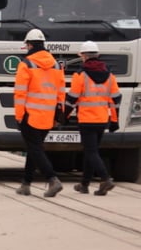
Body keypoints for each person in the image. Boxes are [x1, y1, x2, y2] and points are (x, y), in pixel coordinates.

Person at [14, 28, 66, 197]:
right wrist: (60, 114)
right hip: (48, 116)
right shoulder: (56, 65)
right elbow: (61, 92)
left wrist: (19, 115)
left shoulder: (26, 64)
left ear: (29, 45)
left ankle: (52, 179)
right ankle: (26, 183)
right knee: (34, 148)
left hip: (30, 115)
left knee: (35, 149)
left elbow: (20, 93)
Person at [64, 41, 120, 195]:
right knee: (92, 151)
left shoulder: (80, 75)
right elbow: (115, 100)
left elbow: (71, 99)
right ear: (98, 56)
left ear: (83, 56)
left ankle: (105, 179)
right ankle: (84, 184)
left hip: (87, 120)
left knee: (90, 152)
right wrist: (115, 120)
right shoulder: (110, 76)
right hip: (102, 120)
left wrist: (64, 116)